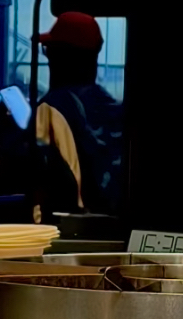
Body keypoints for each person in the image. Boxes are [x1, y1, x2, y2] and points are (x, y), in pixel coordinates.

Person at [35, 12, 125, 216]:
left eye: (49, 51)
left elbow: (30, 171)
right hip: (111, 223)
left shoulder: (51, 108)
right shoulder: (116, 109)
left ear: (63, 57)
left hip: (69, 224)